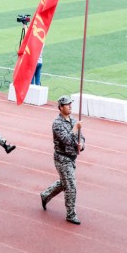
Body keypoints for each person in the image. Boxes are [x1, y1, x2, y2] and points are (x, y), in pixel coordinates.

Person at [41, 95, 85, 225]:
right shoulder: (57, 123)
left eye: (71, 104)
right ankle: (71, 214)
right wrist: (75, 128)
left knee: (64, 182)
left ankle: (46, 195)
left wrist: (81, 145)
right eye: (67, 104)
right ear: (60, 107)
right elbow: (66, 139)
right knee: (71, 186)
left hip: (72, 158)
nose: (70, 106)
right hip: (62, 158)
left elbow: (81, 137)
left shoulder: (73, 120)